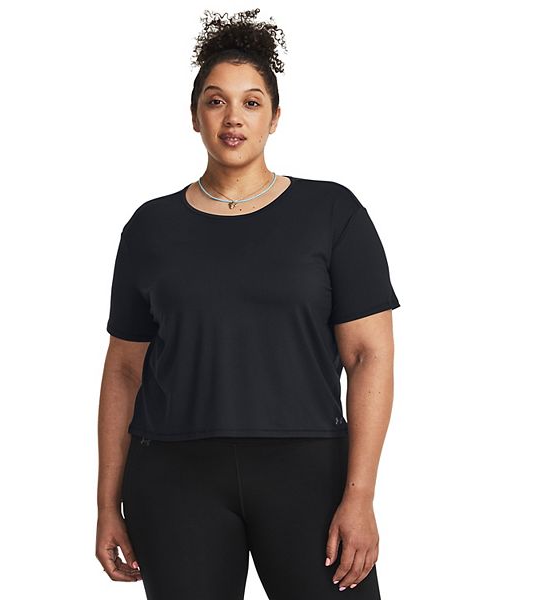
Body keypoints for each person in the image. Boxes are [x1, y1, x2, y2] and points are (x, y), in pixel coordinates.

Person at [95, 8, 400, 599]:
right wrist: (108, 503)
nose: (233, 117)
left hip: (308, 472)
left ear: (274, 117)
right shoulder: (150, 228)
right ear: (195, 116)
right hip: (175, 476)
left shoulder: (332, 214)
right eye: (216, 101)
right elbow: (124, 370)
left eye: (251, 102)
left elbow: (369, 356)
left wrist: (360, 494)